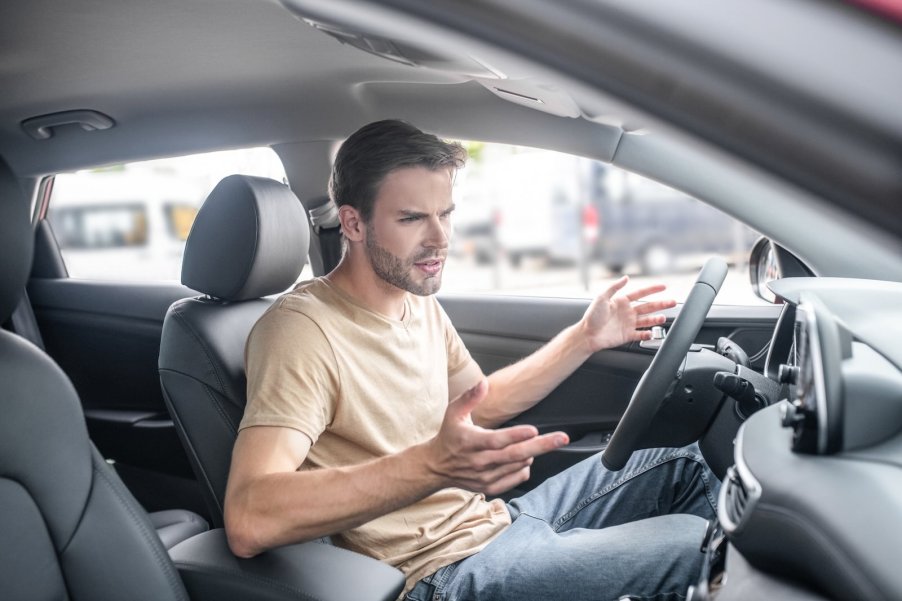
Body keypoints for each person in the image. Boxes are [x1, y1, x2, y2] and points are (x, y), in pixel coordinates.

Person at [224, 120, 720, 601]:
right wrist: (432, 465)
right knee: (691, 549)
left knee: (686, 461)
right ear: (353, 222)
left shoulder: (414, 299)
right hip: (436, 575)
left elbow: (478, 406)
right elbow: (250, 518)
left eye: (446, 213)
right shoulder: (301, 331)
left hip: (493, 523)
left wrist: (584, 340)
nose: (440, 238)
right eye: (413, 218)